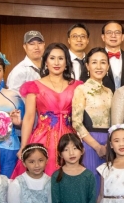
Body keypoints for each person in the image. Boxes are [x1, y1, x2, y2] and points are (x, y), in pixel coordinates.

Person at [13, 43, 82, 179]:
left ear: (66, 63)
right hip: (42, 138)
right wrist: (23, 146)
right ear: (45, 62)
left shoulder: (77, 86)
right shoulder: (34, 86)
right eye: (52, 58)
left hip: (69, 139)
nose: (56, 62)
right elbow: (29, 118)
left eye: (61, 58)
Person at [72, 47, 113, 193]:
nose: (99, 66)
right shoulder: (81, 89)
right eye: (94, 62)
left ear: (108, 66)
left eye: (103, 62)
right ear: (87, 66)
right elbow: (76, 122)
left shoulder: (109, 91)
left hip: (108, 142)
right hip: (90, 142)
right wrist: (97, 147)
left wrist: (109, 145)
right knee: (92, 185)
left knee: (107, 186)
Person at [100, 21, 124, 92]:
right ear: (103, 37)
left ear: (122, 37)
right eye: (109, 32)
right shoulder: (94, 57)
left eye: (117, 32)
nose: (113, 35)